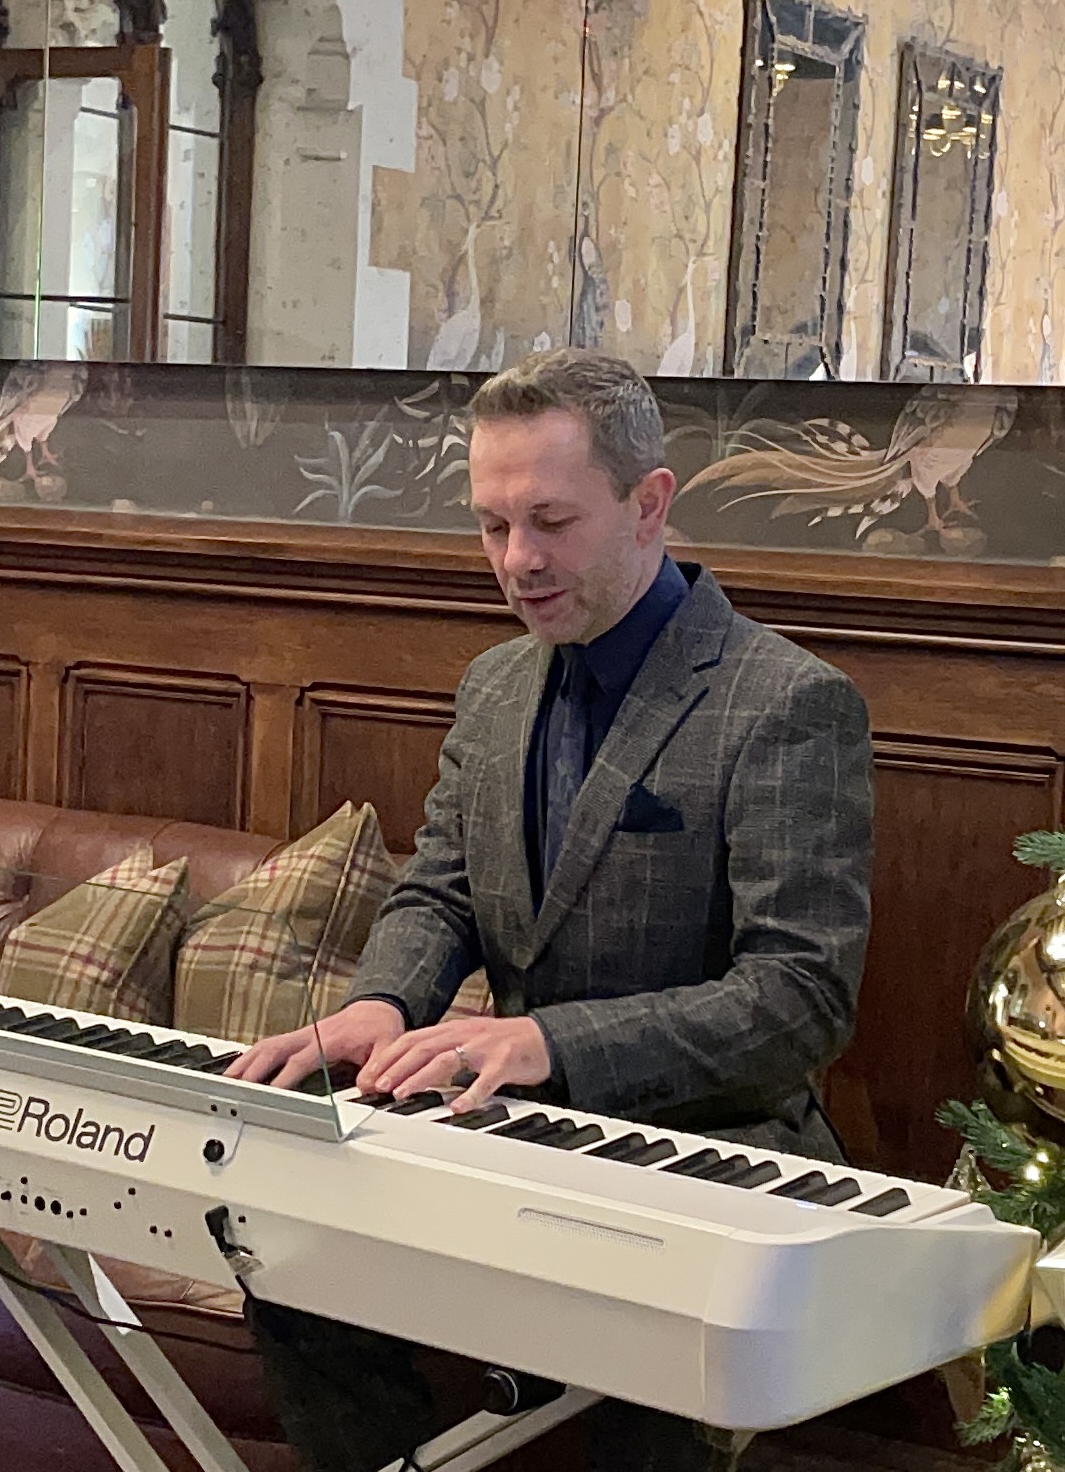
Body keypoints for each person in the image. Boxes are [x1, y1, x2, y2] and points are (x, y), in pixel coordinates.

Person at [226, 347, 874, 1472]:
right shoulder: (493, 683)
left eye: (551, 522)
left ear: (649, 504)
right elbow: (440, 887)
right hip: (502, 1144)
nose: (516, 562)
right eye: (491, 526)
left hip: (701, 1163)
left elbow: (800, 996)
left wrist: (547, 1042)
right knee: (287, 1273)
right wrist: (384, 999)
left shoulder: (787, 702)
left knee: (638, 1403)